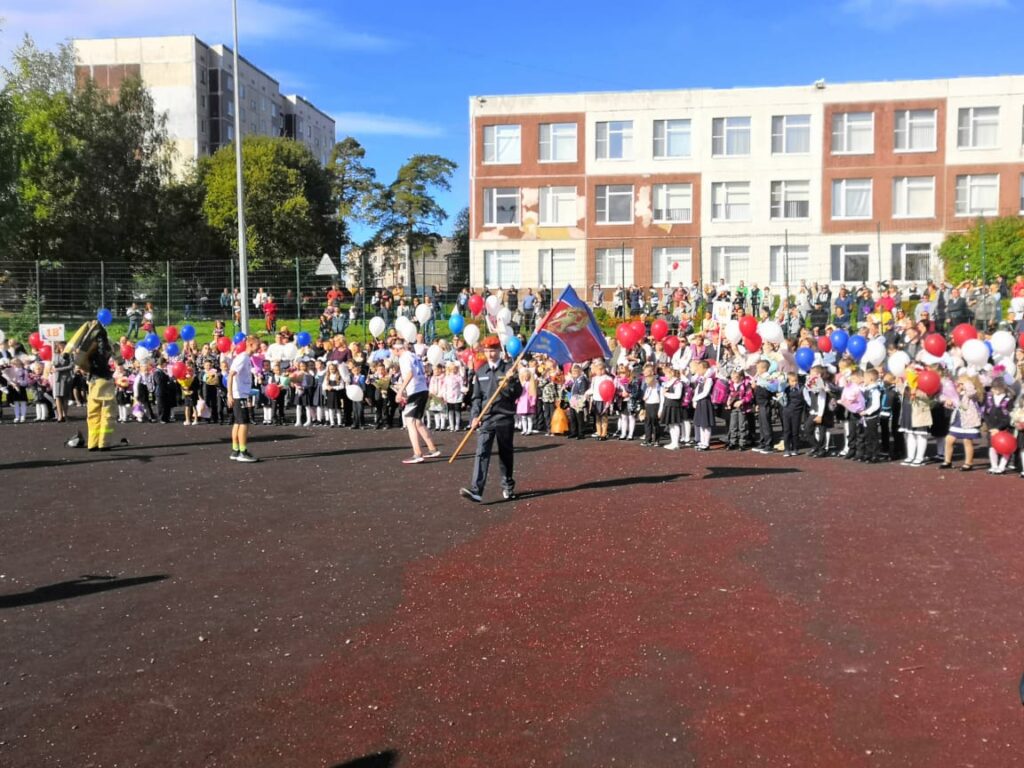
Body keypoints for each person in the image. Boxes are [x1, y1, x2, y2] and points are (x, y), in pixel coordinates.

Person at [460, 335, 523, 502]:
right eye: (487, 351)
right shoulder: (481, 371)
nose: (490, 354)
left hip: (504, 417)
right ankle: (476, 490)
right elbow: (476, 398)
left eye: (493, 350)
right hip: (486, 418)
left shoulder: (509, 369)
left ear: (499, 351)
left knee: (505, 454)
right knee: (481, 453)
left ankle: (508, 486)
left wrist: (512, 381)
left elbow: (517, 393)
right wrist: (475, 416)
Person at [394, 339, 441, 464]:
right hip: (422, 389)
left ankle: (417, 453)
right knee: (418, 421)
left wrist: (400, 391)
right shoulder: (414, 355)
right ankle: (432, 449)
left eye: (393, 349)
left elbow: (410, 374)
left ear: (397, 349)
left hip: (416, 391)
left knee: (409, 421)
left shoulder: (404, 357)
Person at [228, 335, 259, 462]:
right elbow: (231, 375)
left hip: (241, 394)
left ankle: (235, 450)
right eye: (257, 345)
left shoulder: (245, 358)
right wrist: (230, 394)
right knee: (243, 423)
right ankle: (243, 452)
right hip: (239, 395)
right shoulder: (243, 358)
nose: (259, 347)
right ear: (250, 344)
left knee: (237, 422)